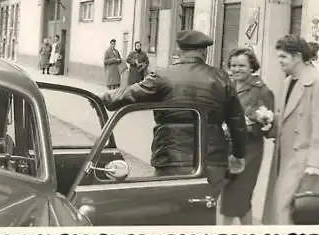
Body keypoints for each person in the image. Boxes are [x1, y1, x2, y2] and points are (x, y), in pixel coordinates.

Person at [99, 30, 248, 225]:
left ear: (179, 51)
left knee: (171, 216)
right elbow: (237, 122)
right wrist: (238, 154)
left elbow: (128, 95)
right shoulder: (221, 78)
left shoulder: (162, 76)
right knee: (203, 214)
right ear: (204, 52)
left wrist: (103, 97)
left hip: (171, 159)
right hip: (212, 160)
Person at [264, 34, 319, 225]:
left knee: (298, 212)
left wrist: (316, 163)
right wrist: (269, 123)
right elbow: (287, 119)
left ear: (296, 56)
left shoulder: (318, 82)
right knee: (284, 211)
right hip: (285, 157)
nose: (279, 62)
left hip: (305, 159)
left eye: (283, 57)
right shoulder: (287, 82)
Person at [220, 47, 276, 225]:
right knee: (231, 199)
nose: (236, 69)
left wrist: (243, 127)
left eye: (241, 66)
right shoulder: (228, 85)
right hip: (226, 149)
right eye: (233, 65)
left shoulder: (262, 91)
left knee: (238, 198)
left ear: (252, 67)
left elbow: (268, 128)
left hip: (249, 152)